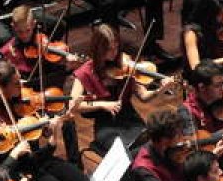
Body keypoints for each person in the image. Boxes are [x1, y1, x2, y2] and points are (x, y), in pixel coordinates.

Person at [0, 61, 92, 181]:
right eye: (16, 83)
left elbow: (36, 135)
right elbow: (15, 160)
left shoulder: (23, 102)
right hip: (23, 170)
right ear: (2, 89)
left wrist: (48, 129)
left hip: (40, 157)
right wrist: (48, 138)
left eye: (21, 80)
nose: (22, 85)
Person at [70, 24, 179, 152]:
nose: (114, 53)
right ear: (98, 49)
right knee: (127, 153)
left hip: (131, 119)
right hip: (107, 126)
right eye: (109, 49)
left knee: (153, 146)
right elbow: (73, 105)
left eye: (116, 48)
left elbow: (143, 96)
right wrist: (102, 105)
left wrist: (160, 90)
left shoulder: (124, 65)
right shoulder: (85, 72)